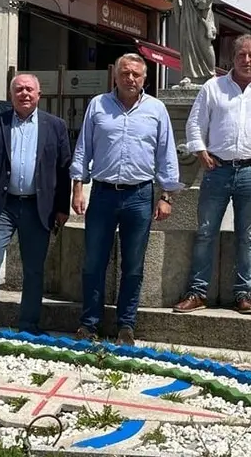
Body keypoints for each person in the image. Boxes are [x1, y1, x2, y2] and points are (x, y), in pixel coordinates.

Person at [173, 34, 251, 315]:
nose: (246, 60)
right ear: (232, 58)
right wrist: (201, 153)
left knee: (246, 236)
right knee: (205, 232)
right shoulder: (213, 88)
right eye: (241, 55)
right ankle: (198, 292)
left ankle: (243, 294)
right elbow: (194, 124)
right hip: (217, 171)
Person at [70, 54, 181, 346]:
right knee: (94, 261)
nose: (130, 79)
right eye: (125, 73)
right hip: (104, 194)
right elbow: (84, 148)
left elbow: (166, 154)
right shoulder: (98, 105)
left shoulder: (156, 109)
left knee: (133, 265)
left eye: (136, 75)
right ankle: (89, 324)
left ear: (145, 79)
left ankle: (126, 326)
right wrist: (77, 187)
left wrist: (166, 195)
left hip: (140, 196)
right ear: (115, 77)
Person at [0, 74, 71, 334]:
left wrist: (61, 208)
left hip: (38, 207)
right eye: (19, 89)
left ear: (38, 95)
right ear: (11, 95)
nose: (24, 94)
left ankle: (28, 324)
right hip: (3, 206)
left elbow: (64, 170)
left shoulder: (55, 126)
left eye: (29, 89)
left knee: (33, 268)